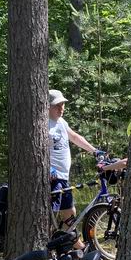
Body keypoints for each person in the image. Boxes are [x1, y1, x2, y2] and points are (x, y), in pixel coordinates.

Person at [48, 89, 99, 228]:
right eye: (57, 105)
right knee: (54, 215)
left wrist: (94, 151)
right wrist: (48, 168)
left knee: (70, 213)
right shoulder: (44, 124)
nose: (61, 108)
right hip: (53, 177)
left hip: (63, 176)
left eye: (62, 104)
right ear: (47, 106)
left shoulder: (61, 122)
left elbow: (75, 137)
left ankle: (64, 244)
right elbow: (37, 152)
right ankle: (67, 245)